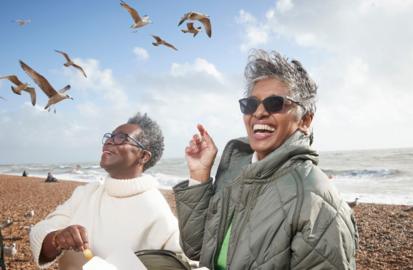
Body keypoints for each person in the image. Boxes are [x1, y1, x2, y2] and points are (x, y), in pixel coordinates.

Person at [174, 49, 358, 269]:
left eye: (275, 103)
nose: (259, 112)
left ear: (305, 120)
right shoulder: (235, 174)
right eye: (250, 105)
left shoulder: (316, 200)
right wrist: (199, 175)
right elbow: (197, 250)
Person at [29, 113, 182, 269]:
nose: (109, 141)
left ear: (143, 156)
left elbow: (182, 262)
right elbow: (40, 231)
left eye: (121, 138)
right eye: (110, 136)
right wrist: (57, 238)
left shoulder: (157, 211)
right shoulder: (86, 193)